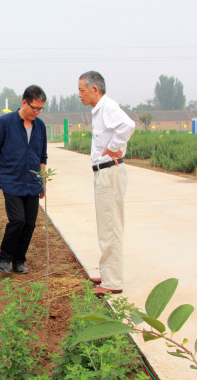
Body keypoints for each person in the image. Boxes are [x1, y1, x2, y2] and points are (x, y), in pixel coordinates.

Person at [0, 85, 48, 274]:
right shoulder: (5, 122)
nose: (37, 112)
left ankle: (19, 260)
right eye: (34, 108)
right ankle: (5, 258)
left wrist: (42, 181)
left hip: (32, 182)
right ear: (24, 102)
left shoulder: (40, 126)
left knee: (29, 224)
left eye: (40, 109)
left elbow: (42, 157)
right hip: (11, 180)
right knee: (17, 220)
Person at [78, 71, 135, 295]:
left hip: (110, 172)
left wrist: (113, 147)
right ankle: (108, 273)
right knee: (106, 226)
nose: (80, 95)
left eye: (82, 90)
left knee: (110, 227)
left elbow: (127, 125)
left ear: (94, 89)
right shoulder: (99, 110)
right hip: (104, 173)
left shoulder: (108, 106)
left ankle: (112, 282)